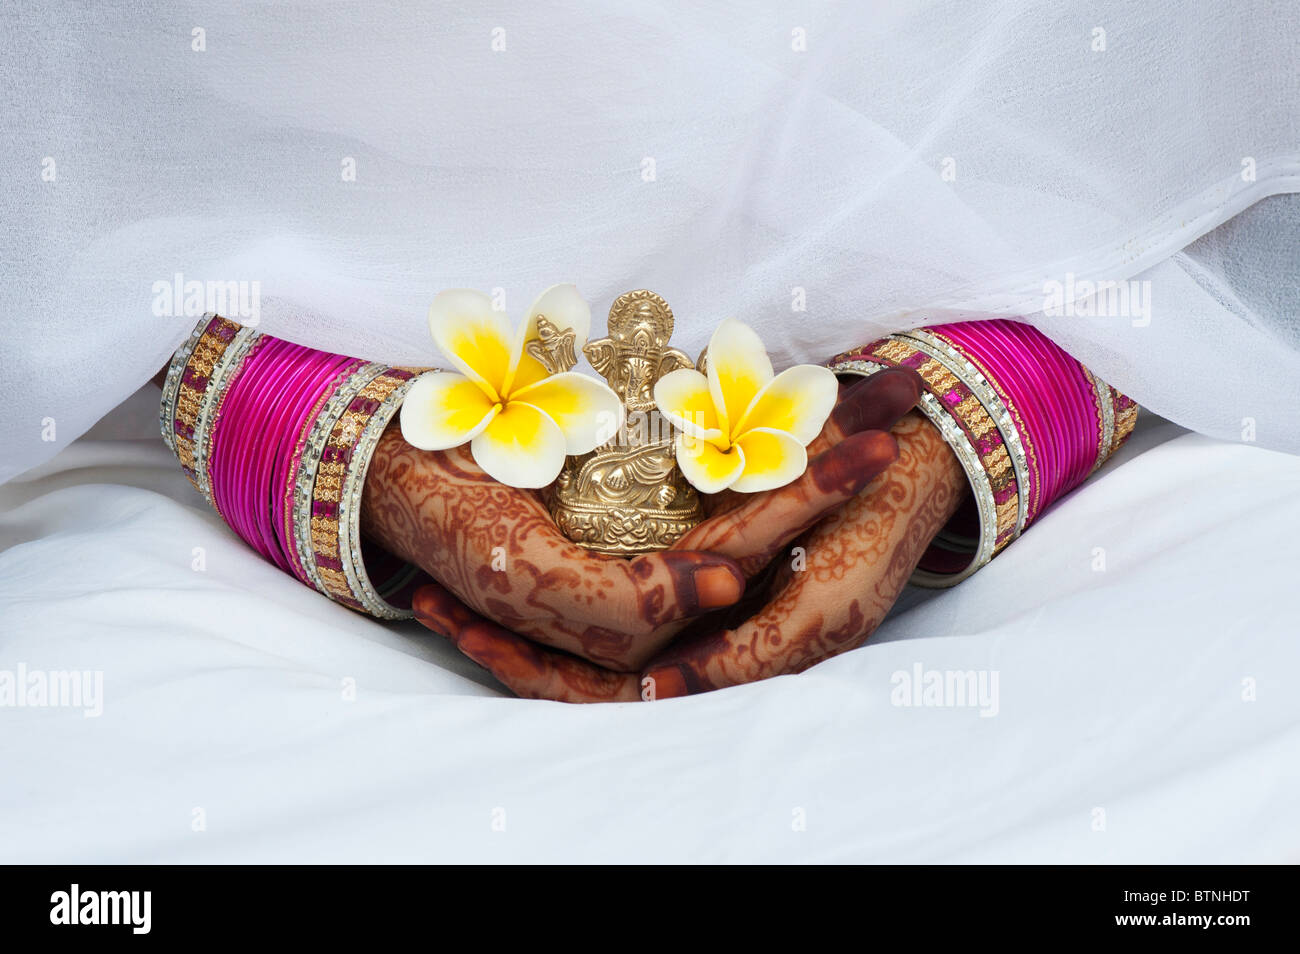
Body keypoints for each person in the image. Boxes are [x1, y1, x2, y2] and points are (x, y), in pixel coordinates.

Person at [157, 312, 1133, 702]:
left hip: (957, 552)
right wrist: (364, 452)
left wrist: (939, 434)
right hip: (271, 519)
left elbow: (1177, 209)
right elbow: (102, 259)